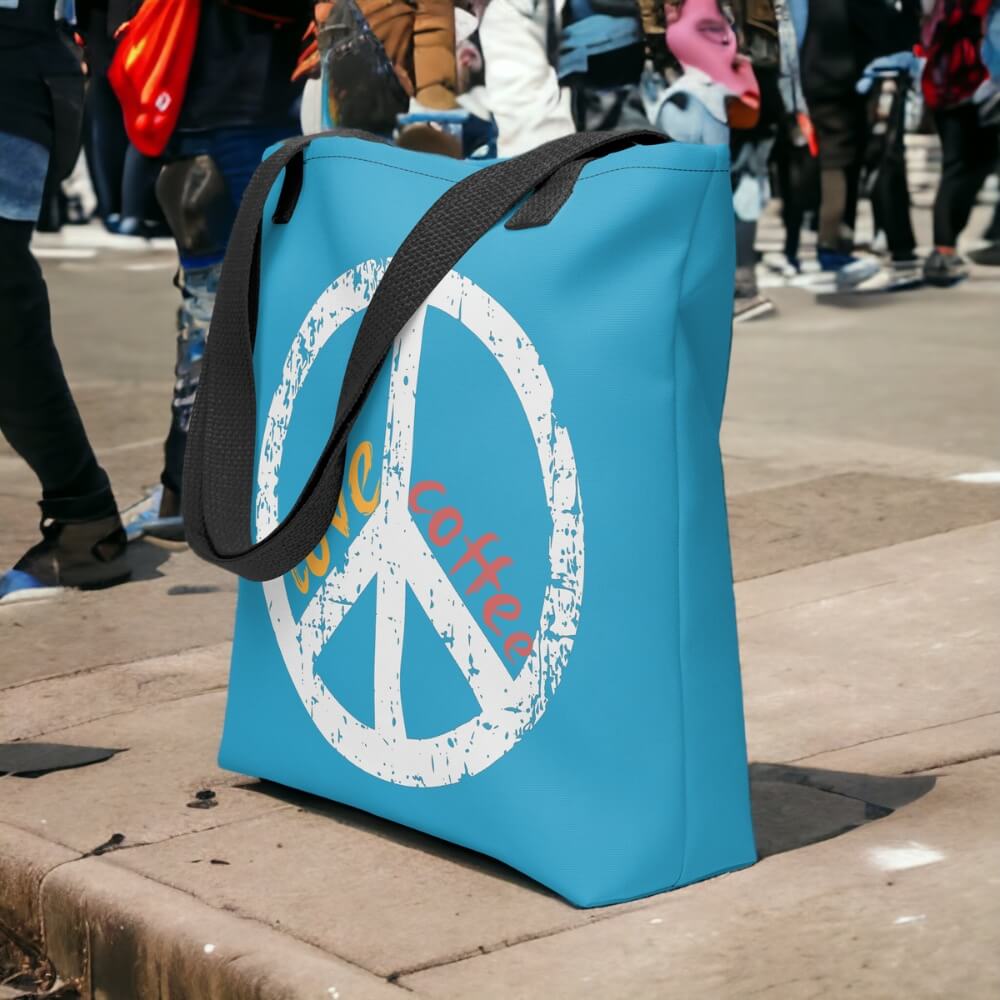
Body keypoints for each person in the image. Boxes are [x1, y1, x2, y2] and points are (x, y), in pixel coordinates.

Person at [125, 0, 313, 539]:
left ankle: (193, 489)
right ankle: (193, 488)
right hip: (214, 108)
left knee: (223, 306)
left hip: (229, 108)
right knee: (230, 304)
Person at [0, 0, 130, 601]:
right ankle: (84, 518)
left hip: (15, 67)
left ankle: (85, 520)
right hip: (27, 65)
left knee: (5, 313)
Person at [921, 0, 1000, 284]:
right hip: (975, 85)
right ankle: (943, 251)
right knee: (968, 167)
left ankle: (944, 249)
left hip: (944, 84)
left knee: (961, 167)